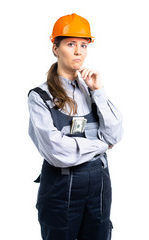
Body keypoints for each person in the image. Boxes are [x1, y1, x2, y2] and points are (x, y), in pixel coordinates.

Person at [28, 13, 123, 240]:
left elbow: (116, 134)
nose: (79, 51)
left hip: (99, 187)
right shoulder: (40, 96)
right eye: (71, 44)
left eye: (83, 45)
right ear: (55, 48)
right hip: (60, 188)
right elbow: (57, 152)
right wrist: (101, 145)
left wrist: (98, 91)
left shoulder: (91, 89)